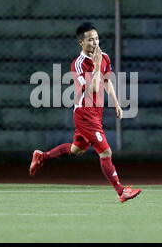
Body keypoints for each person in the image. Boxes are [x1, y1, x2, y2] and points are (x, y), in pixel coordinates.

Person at [29, 22, 141, 203]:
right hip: (85, 114)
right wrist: (96, 66)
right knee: (105, 152)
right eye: (90, 40)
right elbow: (94, 88)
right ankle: (121, 191)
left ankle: (42, 156)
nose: (95, 42)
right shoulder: (79, 64)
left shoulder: (103, 57)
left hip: (96, 113)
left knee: (76, 150)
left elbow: (106, 81)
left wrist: (116, 103)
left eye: (97, 38)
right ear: (81, 43)